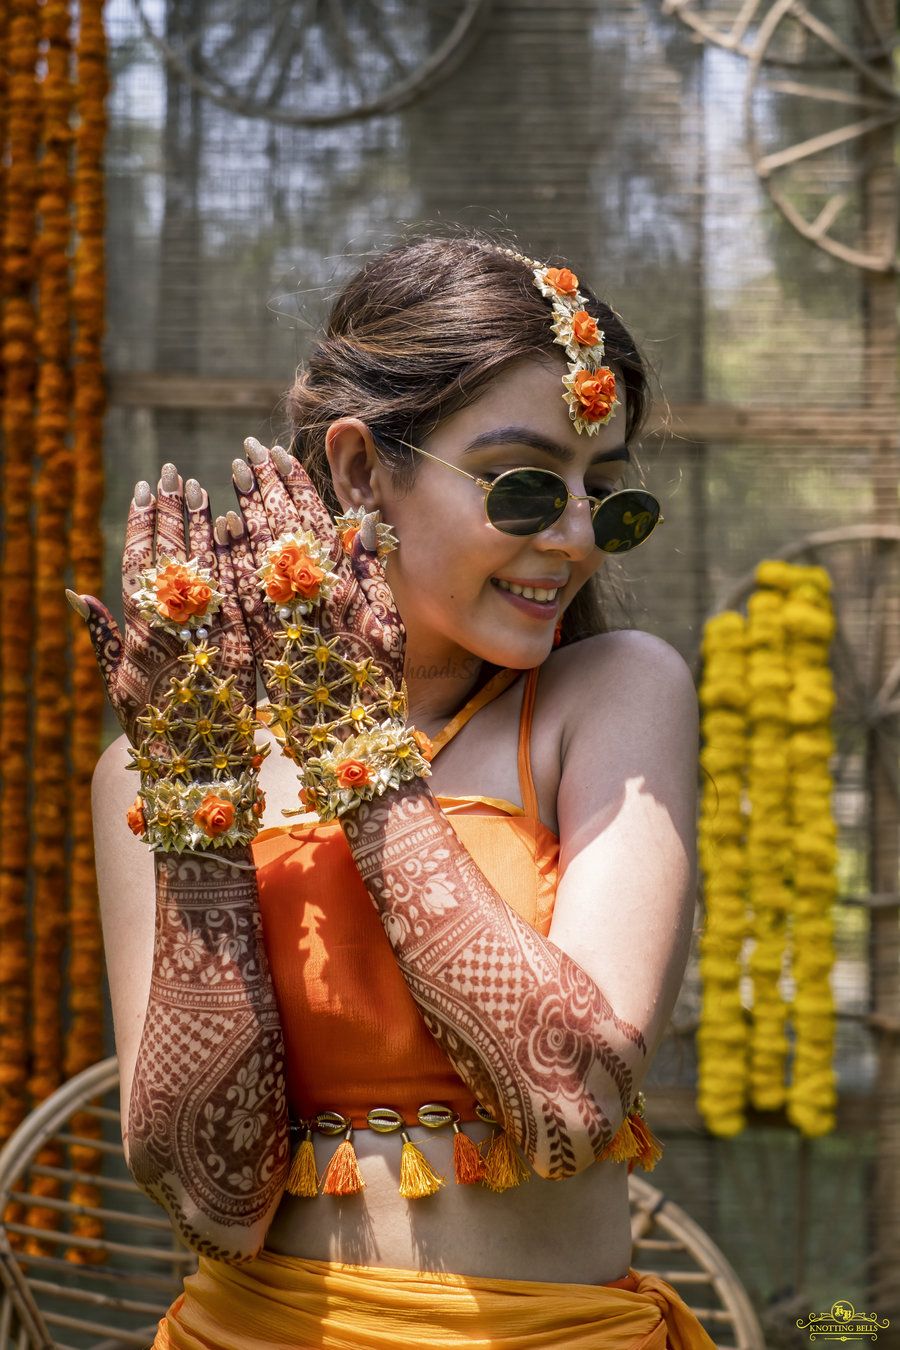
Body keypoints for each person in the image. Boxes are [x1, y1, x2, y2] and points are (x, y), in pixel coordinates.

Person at [72, 234, 716, 1348]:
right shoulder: (164, 770)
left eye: (604, 500)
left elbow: (567, 1108)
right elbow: (211, 1203)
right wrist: (201, 811)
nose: (572, 540)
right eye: (524, 486)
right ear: (364, 470)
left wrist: (353, 747)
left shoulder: (612, 694)